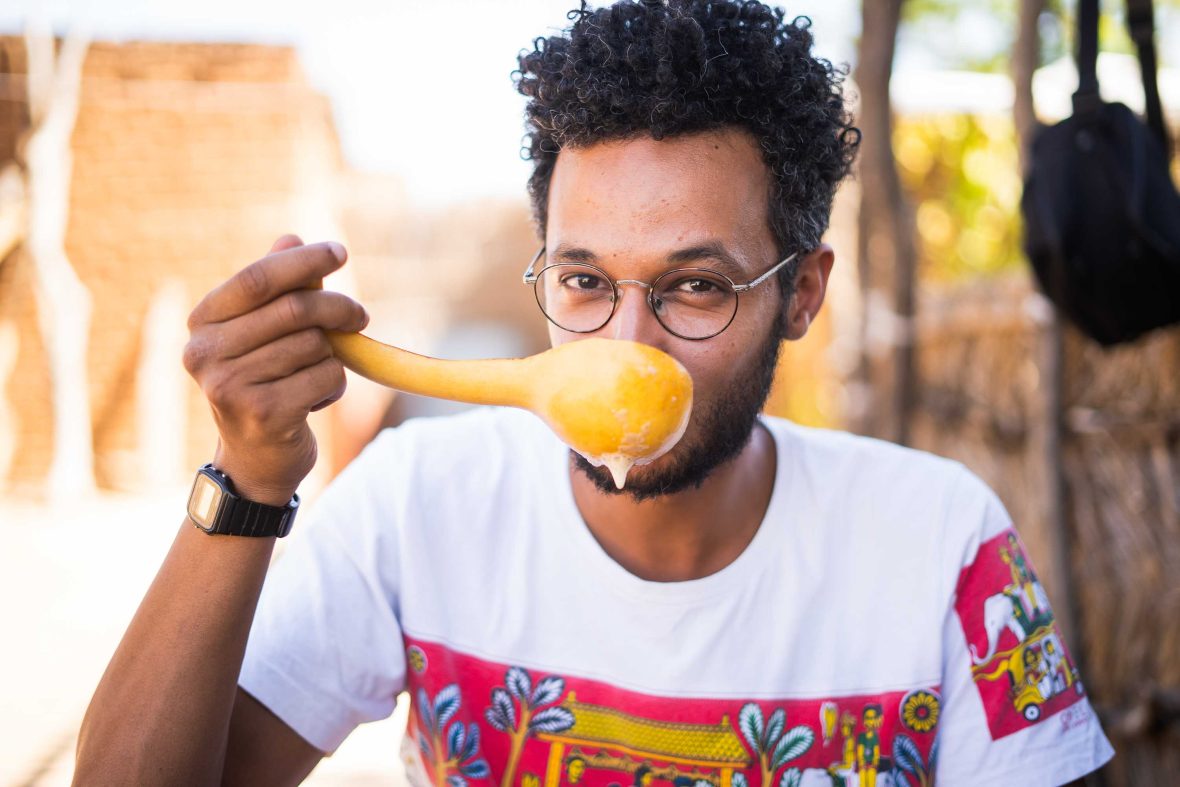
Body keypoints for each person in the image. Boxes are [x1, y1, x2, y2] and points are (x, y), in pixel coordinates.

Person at [74, 1, 1114, 785]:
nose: (626, 345)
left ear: (800, 293)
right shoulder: (416, 505)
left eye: (694, 287)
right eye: (582, 282)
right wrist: (249, 479)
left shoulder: (940, 541)